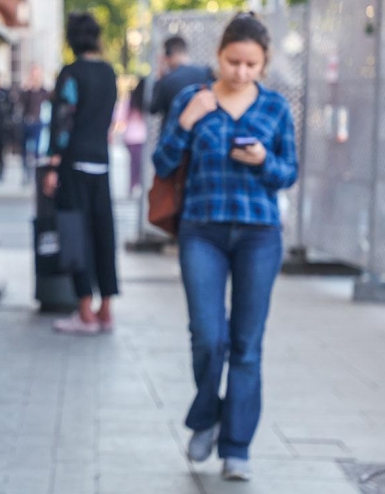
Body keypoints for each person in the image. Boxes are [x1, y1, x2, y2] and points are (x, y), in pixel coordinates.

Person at [152, 13, 298, 481]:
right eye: (233, 61)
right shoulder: (192, 100)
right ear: (218, 57)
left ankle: (237, 447)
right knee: (208, 337)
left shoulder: (275, 108)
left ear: (263, 64)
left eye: (251, 64)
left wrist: (262, 160)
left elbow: (287, 173)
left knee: (247, 345)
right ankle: (205, 416)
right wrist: (187, 121)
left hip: (259, 235)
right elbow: (162, 161)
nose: (240, 72)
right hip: (203, 232)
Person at [44, 11, 118, 334]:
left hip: (74, 163)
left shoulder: (70, 73)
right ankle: (107, 310)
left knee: (75, 232)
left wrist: (52, 164)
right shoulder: (110, 73)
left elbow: (63, 120)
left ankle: (84, 311)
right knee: (104, 232)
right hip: (101, 161)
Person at [148, 35, 214, 134]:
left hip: (173, 135)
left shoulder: (167, 80)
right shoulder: (206, 73)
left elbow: (153, 108)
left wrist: (160, 77)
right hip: (201, 135)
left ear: (168, 55)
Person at [112, 77, 149, 195]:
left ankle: (133, 186)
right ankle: (137, 186)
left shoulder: (131, 101)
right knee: (139, 164)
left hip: (131, 137)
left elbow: (119, 117)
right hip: (141, 137)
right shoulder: (144, 101)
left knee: (134, 164)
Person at [21, 64, 50, 183]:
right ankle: (25, 174)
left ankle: (35, 174)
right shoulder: (27, 91)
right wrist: (28, 88)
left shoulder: (43, 91)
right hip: (26, 121)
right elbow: (20, 101)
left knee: (37, 150)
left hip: (38, 123)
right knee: (24, 151)